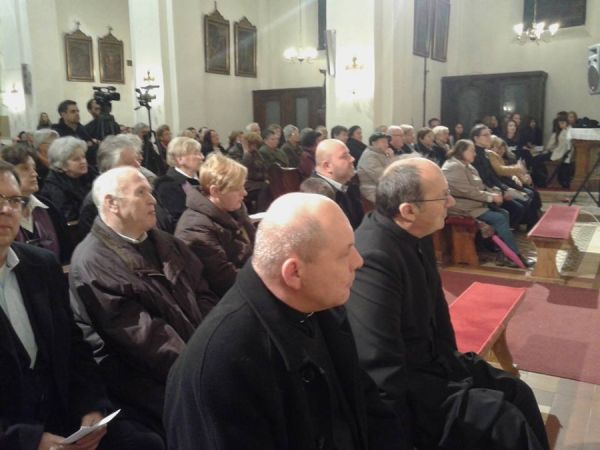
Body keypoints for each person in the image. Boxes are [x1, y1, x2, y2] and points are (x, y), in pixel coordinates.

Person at [164, 192, 404, 450]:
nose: (358, 261)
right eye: (344, 254)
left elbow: (368, 409)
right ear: (294, 273)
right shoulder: (220, 366)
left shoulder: (321, 307)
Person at [346, 158, 549, 449]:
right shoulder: (373, 258)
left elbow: (437, 310)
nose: (451, 202)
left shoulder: (417, 232)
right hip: (412, 385)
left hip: (438, 362)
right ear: (408, 210)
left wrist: (455, 364)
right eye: (443, 196)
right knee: (505, 422)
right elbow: (378, 361)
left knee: (518, 392)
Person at [0, 162, 165, 450]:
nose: (6, 210)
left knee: (146, 442)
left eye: (14, 200)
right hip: (11, 433)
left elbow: (73, 347)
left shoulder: (39, 265)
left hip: (63, 417)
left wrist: (92, 407)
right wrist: (28, 440)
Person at [69, 166, 219, 441]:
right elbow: (147, 340)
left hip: (194, 358)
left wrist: (216, 344)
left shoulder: (166, 242)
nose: (153, 200)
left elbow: (204, 294)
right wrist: (204, 368)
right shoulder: (94, 262)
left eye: (150, 192)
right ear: (111, 204)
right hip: (141, 377)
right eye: (141, 193)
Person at [443, 140, 533, 267]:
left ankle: (504, 253)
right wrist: (491, 198)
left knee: (504, 213)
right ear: (462, 151)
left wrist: (495, 191)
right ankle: (513, 255)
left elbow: (480, 185)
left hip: (473, 203)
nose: (475, 154)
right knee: (499, 217)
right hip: (461, 207)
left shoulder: (467, 165)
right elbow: (468, 192)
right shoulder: (453, 167)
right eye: (472, 151)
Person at [175, 154, 255, 297]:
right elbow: (223, 280)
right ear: (215, 191)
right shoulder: (194, 228)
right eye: (237, 188)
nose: (245, 193)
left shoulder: (234, 208)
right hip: (230, 296)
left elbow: (256, 244)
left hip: (250, 278)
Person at [1, 144, 73, 264]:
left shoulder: (48, 207)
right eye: (25, 168)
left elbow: (67, 249)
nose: (34, 173)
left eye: (34, 168)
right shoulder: (5, 213)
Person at [470, 124, 532, 228]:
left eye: (489, 134)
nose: (489, 137)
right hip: (485, 192)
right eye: (485, 135)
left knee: (526, 199)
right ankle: (503, 231)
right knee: (519, 207)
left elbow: (492, 175)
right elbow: (483, 179)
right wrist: (502, 191)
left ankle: (510, 228)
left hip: (497, 187)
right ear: (476, 138)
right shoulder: (474, 155)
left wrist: (505, 188)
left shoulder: (485, 153)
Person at [303, 139, 364, 229]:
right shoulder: (318, 196)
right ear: (327, 166)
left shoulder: (347, 184)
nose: (352, 159)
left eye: (349, 154)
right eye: (344, 156)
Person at [154, 136, 205, 232]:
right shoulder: (167, 185)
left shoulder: (202, 178)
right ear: (180, 159)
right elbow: (178, 221)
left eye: (200, 153)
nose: (202, 157)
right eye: (196, 153)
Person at [40, 136, 95, 223]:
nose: (83, 161)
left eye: (83, 157)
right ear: (62, 164)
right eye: (76, 159)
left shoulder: (90, 173)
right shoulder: (54, 186)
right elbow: (69, 218)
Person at [532, 112, 572, 188]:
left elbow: (562, 146)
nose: (560, 125)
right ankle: (541, 179)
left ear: (566, 122)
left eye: (562, 123)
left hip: (558, 154)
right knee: (536, 159)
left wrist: (551, 149)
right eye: (559, 123)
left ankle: (541, 180)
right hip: (556, 152)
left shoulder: (566, 131)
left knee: (537, 159)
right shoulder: (564, 131)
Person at [357, 132, 397, 204]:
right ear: (374, 143)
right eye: (383, 142)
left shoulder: (381, 153)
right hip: (372, 189)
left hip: (384, 187)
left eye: (387, 142)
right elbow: (381, 177)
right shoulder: (369, 156)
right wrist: (392, 159)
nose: (387, 145)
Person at [240, 131, 270, 213]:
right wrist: (263, 178)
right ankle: (261, 211)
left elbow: (264, 167)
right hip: (248, 183)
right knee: (264, 187)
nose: (255, 146)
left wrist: (266, 177)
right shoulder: (247, 156)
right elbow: (248, 174)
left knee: (269, 185)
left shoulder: (257, 154)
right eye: (253, 144)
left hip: (256, 181)